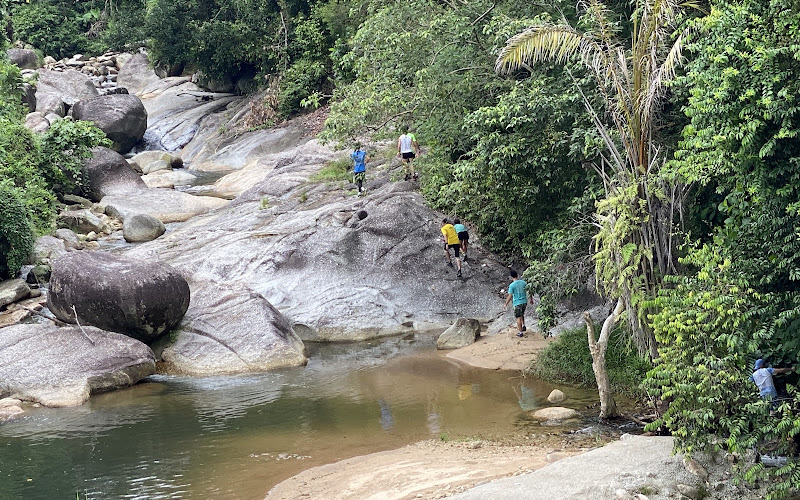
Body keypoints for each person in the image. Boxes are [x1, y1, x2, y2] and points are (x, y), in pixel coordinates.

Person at [504, 269, 530, 337]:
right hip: (524, 302)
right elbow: (529, 290)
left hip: (517, 303)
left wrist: (506, 303)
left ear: (511, 277)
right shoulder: (523, 282)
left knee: (518, 317)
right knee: (522, 314)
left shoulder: (512, 285)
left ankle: (520, 332)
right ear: (517, 275)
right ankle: (524, 325)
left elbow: (510, 296)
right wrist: (531, 299)